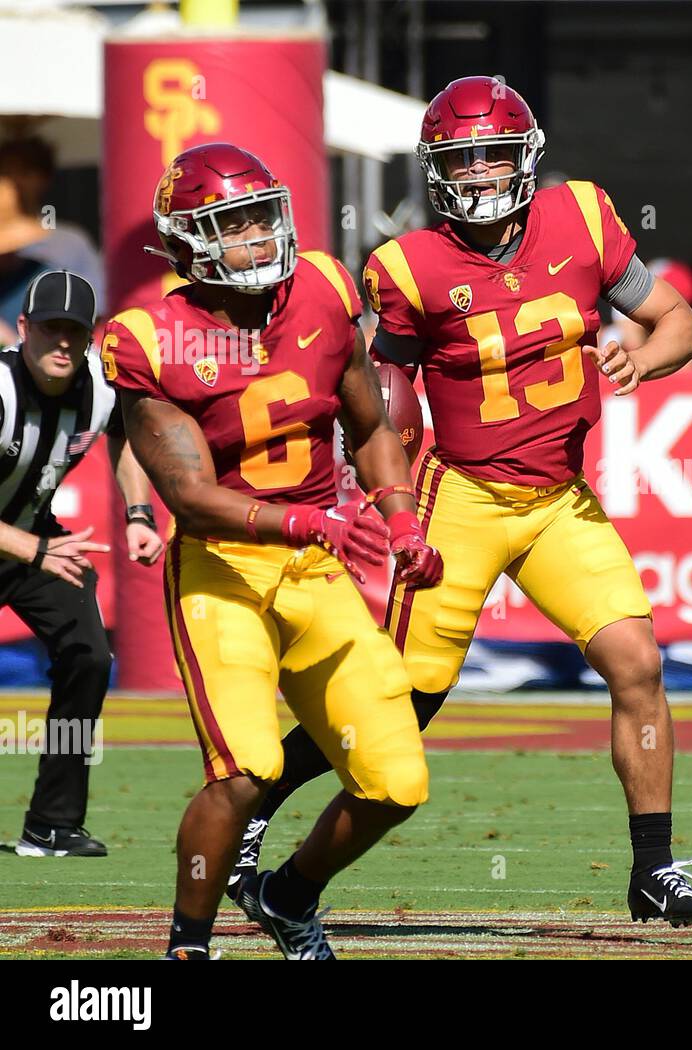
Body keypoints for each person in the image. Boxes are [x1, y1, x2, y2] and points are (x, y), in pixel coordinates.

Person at [231, 77, 692, 929]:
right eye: (465, 159)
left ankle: (654, 869)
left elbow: (680, 321)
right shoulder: (408, 265)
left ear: (527, 157)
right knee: (405, 705)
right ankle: (260, 796)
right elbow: (382, 398)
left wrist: (645, 359)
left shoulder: (584, 217)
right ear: (436, 171)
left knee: (638, 667)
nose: (484, 174)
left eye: (496, 154)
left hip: (561, 501)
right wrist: (390, 501)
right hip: (463, 495)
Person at [104, 143, 443, 960]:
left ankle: (289, 894)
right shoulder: (149, 337)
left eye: (264, 217)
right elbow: (188, 495)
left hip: (316, 567)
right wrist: (310, 525)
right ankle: (188, 944)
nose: (258, 237)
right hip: (224, 570)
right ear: (186, 242)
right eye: (232, 223)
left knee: (398, 781)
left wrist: (401, 520)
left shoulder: (323, 288)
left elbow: (368, 424)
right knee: (245, 770)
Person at [2, 269, 163, 857]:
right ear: (24, 329)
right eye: (50, 329)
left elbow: (124, 437)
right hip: (28, 542)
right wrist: (35, 550)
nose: (62, 342)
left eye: (74, 330)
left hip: (33, 539)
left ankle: (52, 823)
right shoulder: (0, 389)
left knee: (88, 655)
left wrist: (140, 514)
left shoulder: (100, 387)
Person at [0, 138, 106, 338]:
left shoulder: (71, 242)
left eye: (26, 172)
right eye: (5, 172)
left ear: (45, 178)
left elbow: (96, 309)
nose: (16, 181)